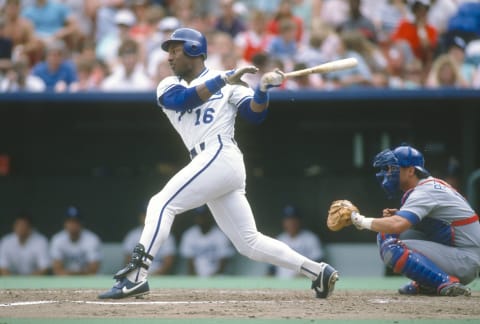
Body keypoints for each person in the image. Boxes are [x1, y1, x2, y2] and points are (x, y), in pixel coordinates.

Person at [98, 27, 338, 300]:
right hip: (210, 162)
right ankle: (317, 271)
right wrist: (225, 79)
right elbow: (183, 100)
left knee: (161, 203)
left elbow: (254, 114)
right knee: (248, 243)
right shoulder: (169, 84)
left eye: (175, 50)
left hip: (221, 153)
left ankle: (136, 276)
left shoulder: (230, 82)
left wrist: (262, 91)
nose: (169, 57)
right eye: (169, 52)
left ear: (193, 51)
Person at [349, 145, 480, 296]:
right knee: (401, 234)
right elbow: (440, 225)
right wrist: (399, 214)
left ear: (411, 171)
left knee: (391, 246)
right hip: (464, 255)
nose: (388, 173)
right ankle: (429, 282)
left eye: (393, 168)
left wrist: (359, 220)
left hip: (465, 260)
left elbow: (397, 225)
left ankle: (446, 283)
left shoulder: (424, 192)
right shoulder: (430, 185)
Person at [179, 206, 235, 276]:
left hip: (218, 278)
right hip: (196, 278)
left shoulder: (221, 235)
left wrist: (211, 280)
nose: (201, 219)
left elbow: (224, 262)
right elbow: (189, 263)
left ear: (211, 217)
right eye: (199, 216)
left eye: (204, 216)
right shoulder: (189, 235)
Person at [271, 205, 324, 278]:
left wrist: (305, 274)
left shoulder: (310, 238)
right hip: (281, 283)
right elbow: (272, 268)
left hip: (304, 283)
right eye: (288, 220)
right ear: (284, 222)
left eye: (294, 219)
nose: (291, 223)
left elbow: (319, 263)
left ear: (300, 221)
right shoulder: (279, 239)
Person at [122, 207, 176, 275]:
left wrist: (156, 274)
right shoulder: (133, 235)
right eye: (145, 215)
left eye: (150, 215)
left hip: (158, 274)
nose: (147, 218)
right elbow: (128, 258)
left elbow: (168, 261)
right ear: (141, 217)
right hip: (135, 274)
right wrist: (136, 275)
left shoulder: (166, 235)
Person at [50, 206, 102, 275]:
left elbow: (93, 269)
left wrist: (71, 273)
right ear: (65, 223)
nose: (73, 225)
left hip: (88, 281)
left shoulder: (92, 239)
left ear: (81, 223)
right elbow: (57, 269)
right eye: (70, 221)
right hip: (64, 281)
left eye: (76, 221)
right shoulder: (57, 239)